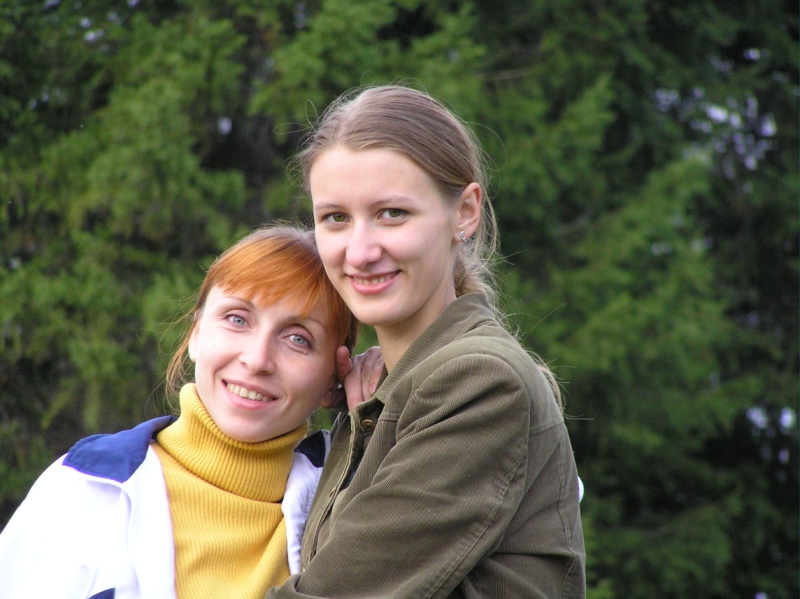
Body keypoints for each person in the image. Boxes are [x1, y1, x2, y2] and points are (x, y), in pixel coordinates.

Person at [266, 85, 586, 599]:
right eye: (336, 218)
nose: (360, 252)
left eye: (392, 213)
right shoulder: (385, 394)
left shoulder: (481, 381)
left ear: (465, 212)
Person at [0, 226, 378, 599]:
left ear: (333, 377)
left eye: (298, 339)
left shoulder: (354, 507)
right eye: (237, 319)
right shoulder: (82, 488)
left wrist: (375, 433)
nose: (257, 359)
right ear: (196, 333)